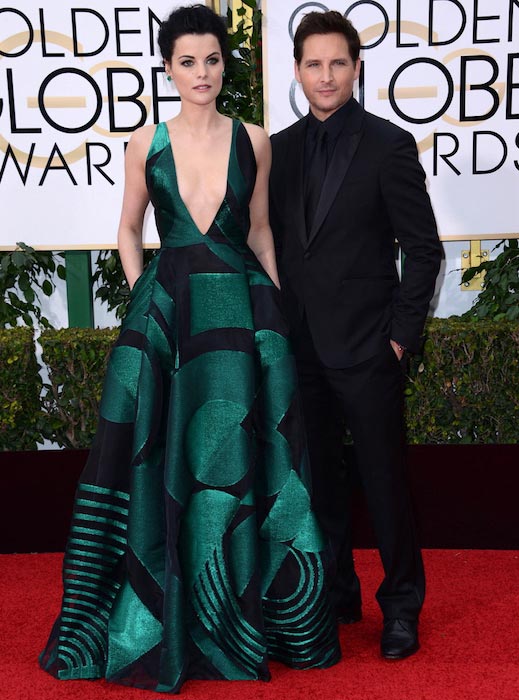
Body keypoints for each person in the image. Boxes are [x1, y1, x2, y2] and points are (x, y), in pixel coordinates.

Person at [39, 5, 340, 693]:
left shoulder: (254, 140)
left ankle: (244, 615)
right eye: (187, 61)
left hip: (240, 313)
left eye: (210, 60)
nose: (200, 73)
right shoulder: (145, 140)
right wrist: (149, 296)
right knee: (154, 459)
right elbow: (126, 227)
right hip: (171, 315)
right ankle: (157, 613)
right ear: (167, 67)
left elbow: (260, 231)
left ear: (222, 64)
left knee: (249, 460)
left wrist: (275, 311)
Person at [269, 11, 442, 660]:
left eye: (337, 63)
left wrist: (398, 338)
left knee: (383, 481)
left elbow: (421, 251)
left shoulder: (388, 145)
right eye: (313, 64)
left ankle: (400, 606)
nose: (325, 75)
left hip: (368, 349)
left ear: (356, 68)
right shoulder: (276, 151)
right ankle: (335, 592)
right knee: (316, 484)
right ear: (296, 70)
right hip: (298, 348)